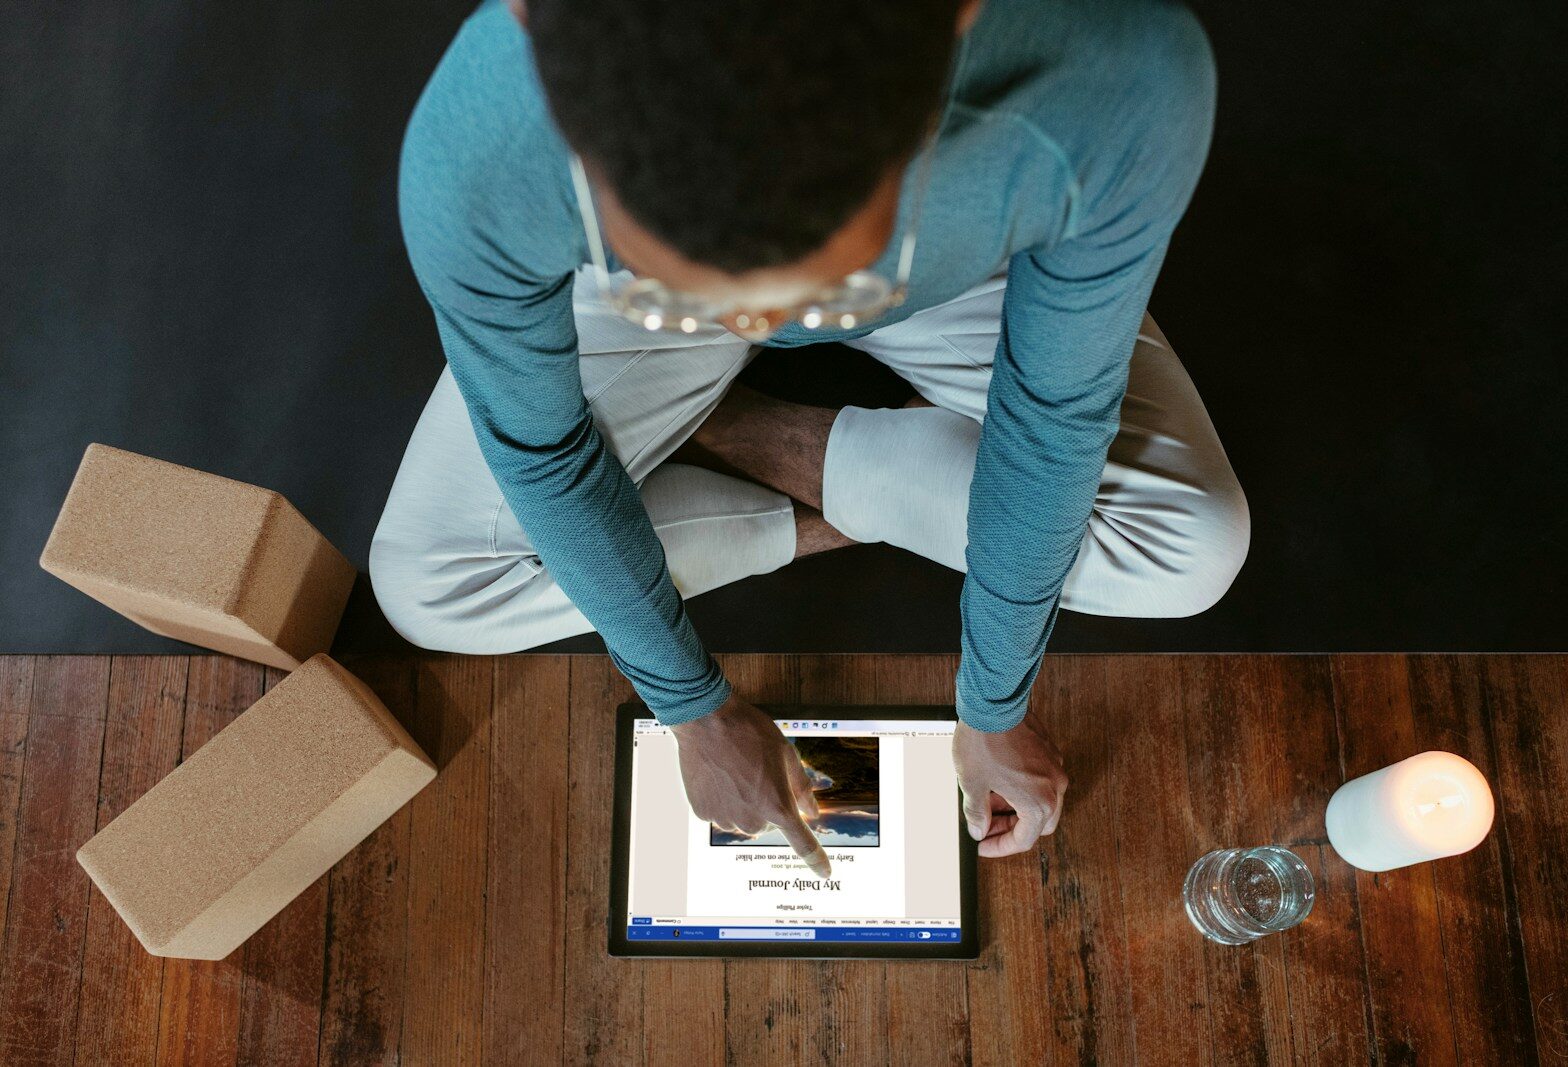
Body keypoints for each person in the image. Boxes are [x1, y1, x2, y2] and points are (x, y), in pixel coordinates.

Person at [371, 0, 1247, 876]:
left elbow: (1055, 410)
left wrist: (994, 705)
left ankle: (755, 418)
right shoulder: (478, 151)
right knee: (426, 589)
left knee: (1198, 551)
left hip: (968, 273)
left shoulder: (1120, 74)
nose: (770, 325)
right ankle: (871, 479)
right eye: (680, 289)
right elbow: (538, 450)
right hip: (644, 277)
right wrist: (691, 708)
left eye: (825, 281)